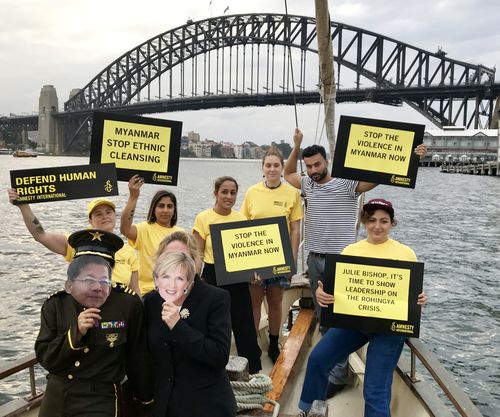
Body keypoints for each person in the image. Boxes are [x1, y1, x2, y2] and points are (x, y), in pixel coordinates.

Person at [284, 128, 427, 396]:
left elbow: (381, 173)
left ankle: (338, 376)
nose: (314, 169)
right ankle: (335, 370)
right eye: (309, 166)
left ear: (327, 161)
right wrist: (296, 145)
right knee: (325, 317)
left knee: (343, 322)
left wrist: (412, 156)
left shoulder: (347, 182)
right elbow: (287, 173)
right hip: (315, 258)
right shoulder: (307, 184)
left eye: (317, 164)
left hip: (345, 262)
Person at [297, 198, 428, 417]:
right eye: (372, 220)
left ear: (392, 223)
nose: (377, 226)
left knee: (375, 387)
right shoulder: (350, 250)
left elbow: (412, 297)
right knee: (318, 359)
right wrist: (322, 295)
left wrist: (420, 300)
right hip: (356, 323)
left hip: (389, 328)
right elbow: (336, 293)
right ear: (364, 222)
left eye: (384, 221)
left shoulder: (406, 253)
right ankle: (309, 410)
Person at [35, 229, 153, 417]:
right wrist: (76, 333)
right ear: (70, 284)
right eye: (89, 279)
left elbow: (137, 357)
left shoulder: (127, 305)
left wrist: (145, 400)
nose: (97, 287)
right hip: (59, 396)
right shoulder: (56, 305)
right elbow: (46, 358)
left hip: (100, 397)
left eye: (104, 280)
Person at [143, 251, 236, 417]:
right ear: (155, 279)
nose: (171, 285)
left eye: (179, 278)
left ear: (189, 282)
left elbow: (220, 355)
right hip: (165, 406)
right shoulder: (151, 302)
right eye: (165, 276)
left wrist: (178, 326)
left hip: (206, 406)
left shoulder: (216, 299)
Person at [7, 190, 140, 294]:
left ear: (114, 216)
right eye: (98, 214)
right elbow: (40, 235)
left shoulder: (128, 250)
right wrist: (23, 206)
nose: (105, 216)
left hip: (120, 312)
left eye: (108, 212)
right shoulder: (77, 243)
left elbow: (135, 290)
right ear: (90, 221)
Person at [193, 176, 262, 374]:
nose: (228, 196)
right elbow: (197, 253)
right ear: (216, 193)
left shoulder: (240, 219)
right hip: (212, 275)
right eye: (224, 192)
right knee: (212, 323)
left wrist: (254, 273)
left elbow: (247, 253)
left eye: (232, 193)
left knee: (244, 324)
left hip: (236, 276)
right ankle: (210, 367)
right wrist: (195, 279)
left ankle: (253, 370)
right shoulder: (203, 218)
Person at [240, 147, 303, 362]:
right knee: (254, 303)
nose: (272, 169)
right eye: (268, 165)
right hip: (256, 257)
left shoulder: (292, 193)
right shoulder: (252, 192)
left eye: (276, 165)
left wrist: (292, 259)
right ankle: (254, 344)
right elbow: (242, 226)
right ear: (262, 168)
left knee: (275, 302)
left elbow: (295, 228)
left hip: (279, 257)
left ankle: (274, 342)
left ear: (282, 167)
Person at [120, 174, 183, 295]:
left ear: (174, 210)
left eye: (169, 206)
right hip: (148, 291)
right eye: (161, 206)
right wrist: (133, 196)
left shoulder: (181, 234)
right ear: (153, 209)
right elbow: (125, 229)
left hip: (173, 292)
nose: (165, 210)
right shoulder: (144, 229)